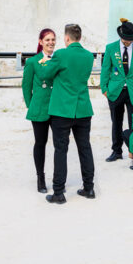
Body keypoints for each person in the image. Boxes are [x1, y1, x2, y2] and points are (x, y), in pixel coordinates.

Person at [37, 23, 96, 204]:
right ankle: (89, 187)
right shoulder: (88, 56)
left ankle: (59, 192)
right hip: (83, 109)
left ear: (67, 38)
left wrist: (45, 61)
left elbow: (45, 74)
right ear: (79, 37)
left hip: (63, 110)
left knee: (61, 150)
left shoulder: (61, 54)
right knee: (84, 148)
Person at [99, 18, 133, 164]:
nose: (126, 42)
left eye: (129, 40)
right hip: (115, 91)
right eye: (124, 39)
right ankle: (116, 151)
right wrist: (104, 88)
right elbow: (106, 69)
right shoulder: (110, 48)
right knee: (116, 122)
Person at [22, 28, 56, 194]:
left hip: (57, 108)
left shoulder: (59, 59)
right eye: (47, 40)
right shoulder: (33, 61)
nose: (50, 43)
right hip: (40, 108)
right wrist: (32, 105)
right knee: (40, 143)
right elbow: (26, 86)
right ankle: (40, 177)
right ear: (41, 42)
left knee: (60, 144)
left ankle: (58, 178)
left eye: (53, 39)